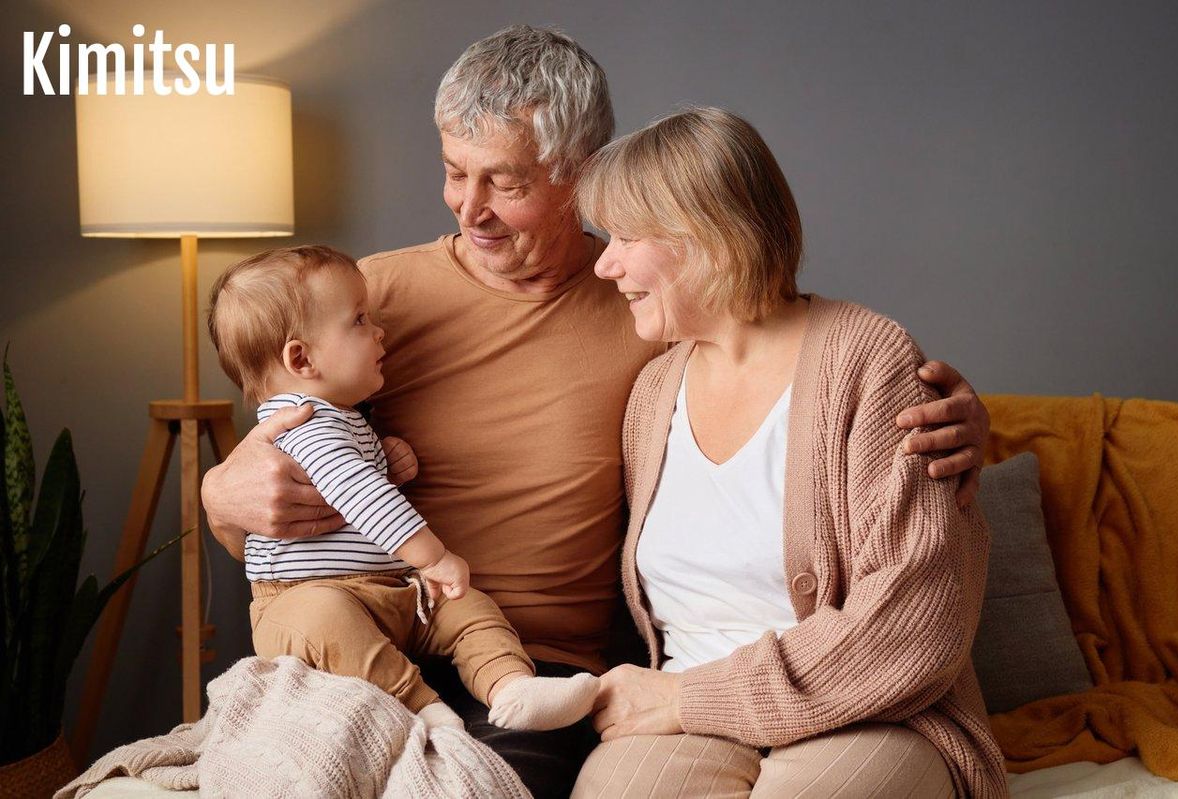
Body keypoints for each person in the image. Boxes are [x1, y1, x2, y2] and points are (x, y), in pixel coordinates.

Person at [201, 26, 993, 798]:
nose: (467, 209)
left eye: (505, 183)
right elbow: (286, 468)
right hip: (375, 624)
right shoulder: (368, 304)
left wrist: (950, 419)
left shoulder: (653, 317)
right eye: (453, 172)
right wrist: (219, 497)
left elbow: (799, 364)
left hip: (534, 664)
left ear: (580, 173)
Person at [571, 106, 1007, 797]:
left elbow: (912, 628)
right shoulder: (652, 393)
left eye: (626, 236)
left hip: (873, 715)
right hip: (682, 719)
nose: (605, 263)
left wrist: (685, 699)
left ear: (707, 234)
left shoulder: (869, 359)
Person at [205, 244, 600, 733]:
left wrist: (385, 460)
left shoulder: (340, 418)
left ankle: (510, 685)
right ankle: (421, 710)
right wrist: (432, 557)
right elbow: (360, 497)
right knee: (326, 619)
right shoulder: (305, 425)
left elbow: (353, 486)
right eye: (359, 321)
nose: (378, 331)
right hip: (304, 598)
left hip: (389, 594)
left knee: (465, 605)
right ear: (301, 358)